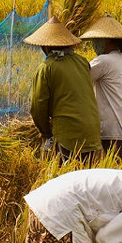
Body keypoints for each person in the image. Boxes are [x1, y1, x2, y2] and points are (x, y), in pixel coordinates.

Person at [25, 17, 101, 163]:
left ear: (45, 47)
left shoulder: (47, 67)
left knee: (66, 179)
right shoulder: (82, 62)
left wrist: (46, 132)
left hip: (69, 134)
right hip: (91, 131)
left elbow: (38, 107)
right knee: (85, 179)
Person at [80, 14, 122, 170]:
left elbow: (79, 78)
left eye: (97, 40)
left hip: (116, 132)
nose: (94, 44)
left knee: (117, 179)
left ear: (107, 40)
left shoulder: (104, 61)